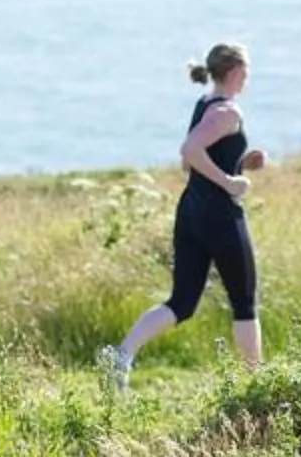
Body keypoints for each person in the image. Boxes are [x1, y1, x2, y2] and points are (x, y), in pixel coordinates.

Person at [102, 41, 269, 386]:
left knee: (182, 302)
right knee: (244, 301)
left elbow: (191, 159)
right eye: (247, 71)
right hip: (221, 216)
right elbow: (190, 151)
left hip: (192, 212)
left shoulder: (204, 105)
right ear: (236, 72)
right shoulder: (228, 112)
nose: (248, 78)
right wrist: (229, 182)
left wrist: (240, 162)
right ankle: (257, 385)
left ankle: (122, 356)